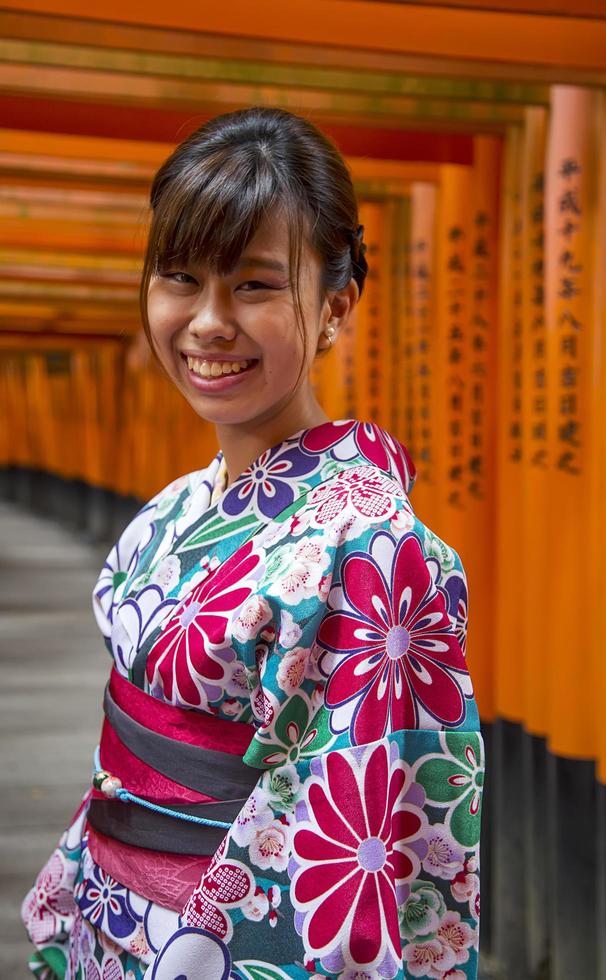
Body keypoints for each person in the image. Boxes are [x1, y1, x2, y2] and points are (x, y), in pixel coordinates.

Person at [22, 106, 484, 980]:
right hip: (114, 919)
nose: (207, 322)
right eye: (180, 278)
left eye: (256, 286)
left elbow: (365, 843)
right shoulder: (174, 510)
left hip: (226, 943)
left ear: (336, 306)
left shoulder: (377, 546)